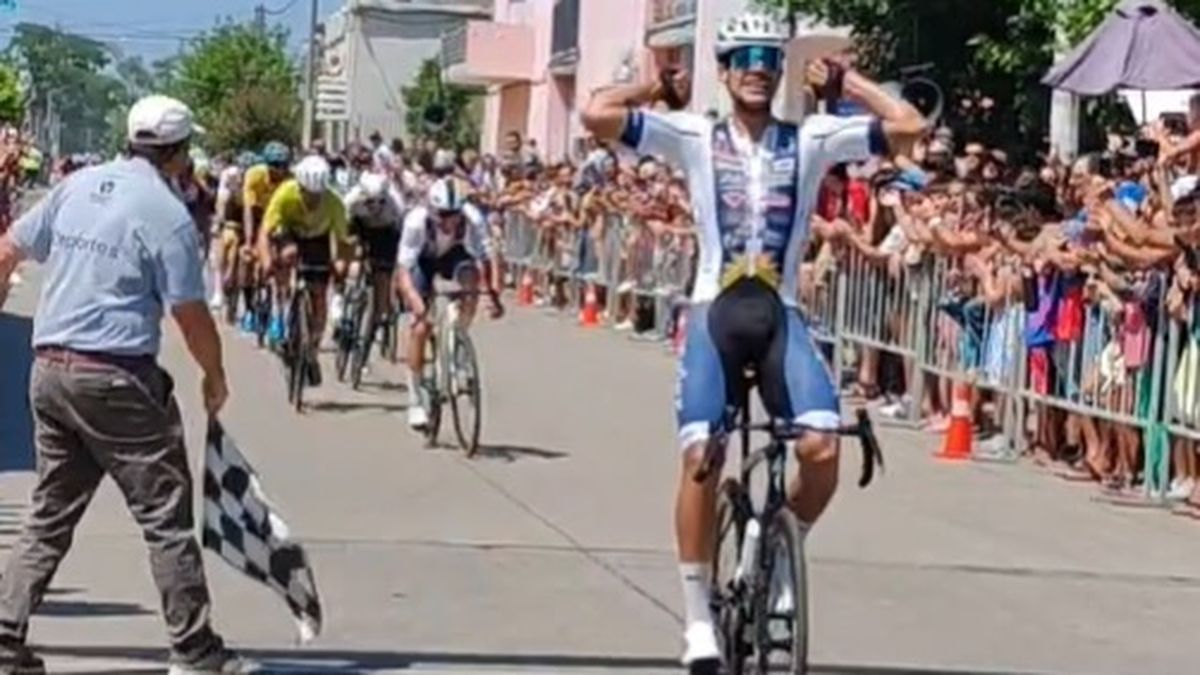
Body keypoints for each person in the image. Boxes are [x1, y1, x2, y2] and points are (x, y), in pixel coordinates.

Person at [580, 11, 926, 672]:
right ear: (725, 67)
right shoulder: (691, 134)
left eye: (770, 56)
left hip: (781, 313)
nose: (758, 68)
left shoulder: (815, 137)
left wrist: (851, 81)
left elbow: (910, 129)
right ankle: (697, 617)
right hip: (715, 312)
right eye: (744, 56)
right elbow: (595, 115)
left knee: (822, 449)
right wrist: (654, 92)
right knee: (701, 459)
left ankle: (779, 540)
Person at [0, 95, 246, 674]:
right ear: (180, 154)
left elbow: (9, 247)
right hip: (116, 379)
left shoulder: (78, 185)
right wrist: (214, 376)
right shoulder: (166, 213)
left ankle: (5, 637)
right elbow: (190, 314)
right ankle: (194, 650)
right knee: (165, 515)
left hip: (51, 370)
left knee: (51, 510)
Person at [396, 177, 504, 430]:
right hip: (422, 260)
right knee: (421, 328)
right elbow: (403, 271)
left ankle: (459, 335)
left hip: (453, 256)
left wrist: (493, 294)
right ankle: (414, 399)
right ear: (433, 210)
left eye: (454, 214)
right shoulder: (416, 221)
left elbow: (490, 256)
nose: (449, 221)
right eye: (443, 214)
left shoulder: (472, 217)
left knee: (471, 278)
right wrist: (415, 302)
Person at [258, 155, 350, 387]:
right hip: (289, 233)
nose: (312, 200)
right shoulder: (285, 193)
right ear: (299, 186)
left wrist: (341, 264)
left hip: (317, 240)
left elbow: (343, 242)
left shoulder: (333, 202)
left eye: (317, 195)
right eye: (308, 194)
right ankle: (284, 309)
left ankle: (312, 350)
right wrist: (267, 260)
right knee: (287, 255)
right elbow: (265, 232)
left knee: (319, 293)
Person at [344, 171, 406, 344]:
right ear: (362, 195)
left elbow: (402, 231)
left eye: (380, 201)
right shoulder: (351, 200)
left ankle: (381, 314)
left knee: (382, 273)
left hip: (387, 230)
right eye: (370, 202)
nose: (375, 206)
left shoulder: (395, 203)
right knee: (351, 257)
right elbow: (343, 228)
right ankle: (347, 294)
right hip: (361, 225)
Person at [243, 141, 292, 339]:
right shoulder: (254, 175)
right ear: (266, 164)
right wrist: (248, 241)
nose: (279, 171)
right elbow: (248, 211)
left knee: (282, 265)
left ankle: (279, 316)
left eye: (283, 166)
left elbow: (290, 214)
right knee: (252, 258)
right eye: (274, 166)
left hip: (280, 216)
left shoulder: (291, 180)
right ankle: (250, 305)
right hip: (259, 213)